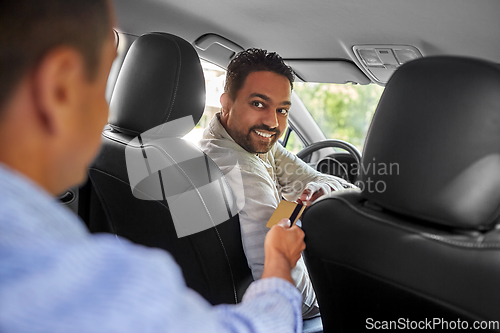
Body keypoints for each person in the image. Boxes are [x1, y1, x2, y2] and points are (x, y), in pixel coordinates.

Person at [0, 1, 307, 332]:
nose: (107, 111)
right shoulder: (68, 276)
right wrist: (278, 260)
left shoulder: (115, 160)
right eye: (100, 83)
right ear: (59, 88)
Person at [200, 48, 354, 318]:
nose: (272, 122)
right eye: (258, 104)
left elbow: (315, 178)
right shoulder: (240, 169)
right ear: (226, 102)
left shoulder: (252, 142)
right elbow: (288, 291)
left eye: (282, 110)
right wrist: (339, 296)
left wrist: (323, 190)